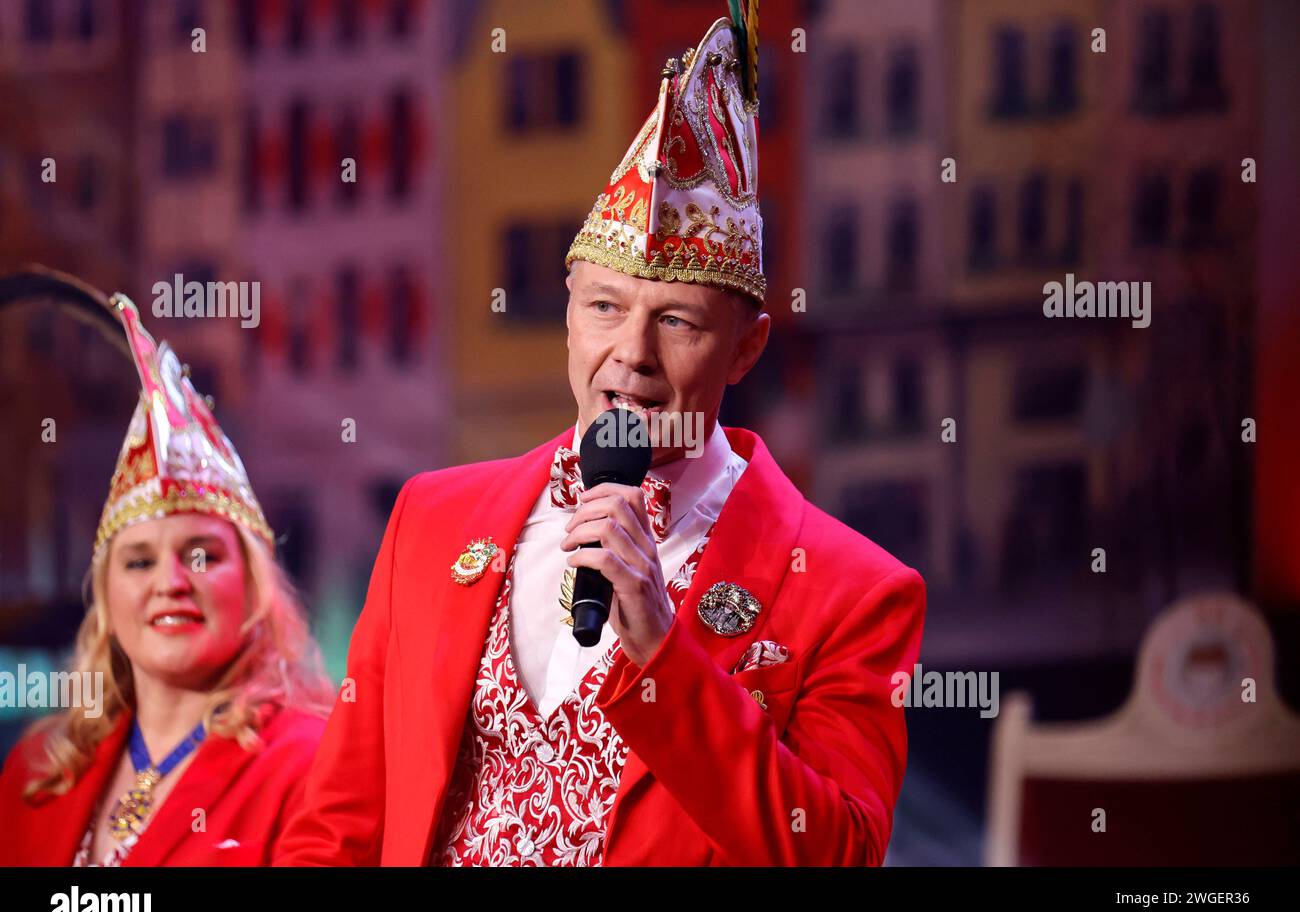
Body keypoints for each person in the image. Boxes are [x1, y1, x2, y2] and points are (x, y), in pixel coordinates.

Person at [277, 7, 926, 867]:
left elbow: (839, 852)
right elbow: (337, 831)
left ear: (747, 347)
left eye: (679, 323)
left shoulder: (851, 594)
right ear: (570, 314)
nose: (632, 355)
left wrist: (664, 650)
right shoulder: (433, 522)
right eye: (605, 309)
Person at [0, 295, 334, 866]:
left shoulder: (315, 763)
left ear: (254, 587)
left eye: (201, 555)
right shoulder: (37, 769)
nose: (170, 582)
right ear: (105, 597)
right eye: (138, 562)